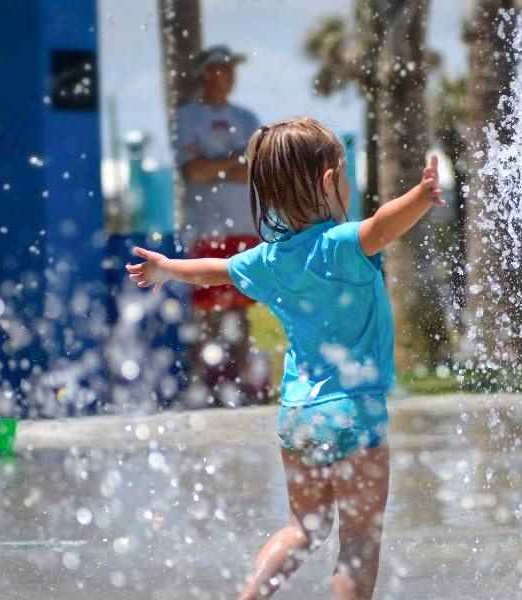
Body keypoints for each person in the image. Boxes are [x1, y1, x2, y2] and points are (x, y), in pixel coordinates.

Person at [126, 117, 445, 599]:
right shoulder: (340, 245)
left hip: (297, 416)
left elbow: (215, 271)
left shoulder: (268, 259)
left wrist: (166, 268)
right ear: (329, 180)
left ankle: (250, 595)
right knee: (357, 540)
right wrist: (421, 197)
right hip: (353, 413)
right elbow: (383, 225)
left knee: (303, 526)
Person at [174, 44, 263, 406]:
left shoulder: (247, 117)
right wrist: (231, 164)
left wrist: (217, 165)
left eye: (230, 69)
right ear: (206, 73)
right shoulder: (188, 117)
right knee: (206, 311)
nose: (226, 75)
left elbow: (255, 169)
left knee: (239, 310)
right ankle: (204, 388)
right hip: (206, 228)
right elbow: (192, 170)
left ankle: (242, 386)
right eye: (220, 68)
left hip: (243, 227)